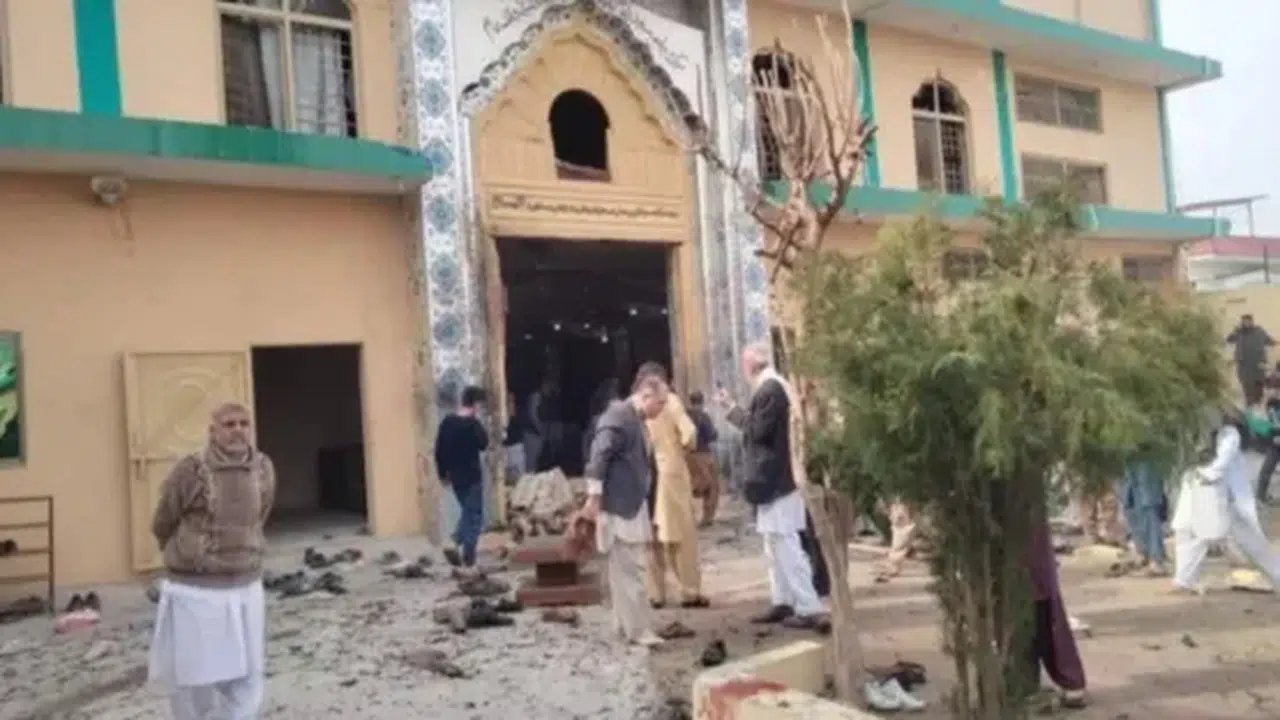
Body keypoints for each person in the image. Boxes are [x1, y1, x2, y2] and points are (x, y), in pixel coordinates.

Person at [148, 402, 276, 719]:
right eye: (229, 424)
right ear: (213, 431)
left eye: (243, 424)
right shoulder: (191, 470)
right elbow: (164, 520)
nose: (237, 430)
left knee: (248, 672)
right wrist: (189, 553)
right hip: (197, 591)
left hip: (246, 585)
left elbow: (260, 515)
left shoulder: (262, 468)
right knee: (198, 677)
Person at [718, 343, 826, 629]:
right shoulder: (775, 388)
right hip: (777, 479)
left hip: (777, 479)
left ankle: (809, 606)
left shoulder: (770, 390)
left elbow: (757, 432)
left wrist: (732, 411)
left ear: (749, 365)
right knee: (773, 543)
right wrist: (733, 409)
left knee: (786, 543)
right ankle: (783, 600)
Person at [578, 373, 670, 647]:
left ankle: (624, 625)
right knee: (632, 571)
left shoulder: (633, 419)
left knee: (622, 571)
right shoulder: (619, 416)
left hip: (630, 503)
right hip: (620, 506)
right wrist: (594, 495)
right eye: (660, 402)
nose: (662, 408)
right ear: (646, 395)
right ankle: (638, 630)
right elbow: (599, 455)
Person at [1173, 407, 1280, 593]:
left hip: (1227, 497)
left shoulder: (1229, 435)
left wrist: (1205, 475)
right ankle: (1185, 579)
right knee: (1189, 532)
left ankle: (1278, 575)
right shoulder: (1194, 435)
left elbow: (1219, 466)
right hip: (1202, 494)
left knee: (1251, 542)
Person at [635, 363, 707, 609]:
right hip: (670, 475)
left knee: (650, 538)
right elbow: (690, 434)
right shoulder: (671, 402)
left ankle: (656, 594)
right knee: (681, 537)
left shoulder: (634, 405)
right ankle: (689, 591)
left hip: (644, 474)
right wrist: (685, 451)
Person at [434, 386, 490, 567]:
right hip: (472, 476)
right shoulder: (472, 425)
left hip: (455, 476)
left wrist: (442, 473)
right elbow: (484, 443)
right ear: (476, 404)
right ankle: (467, 555)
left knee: (467, 512)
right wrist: (477, 421)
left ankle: (455, 542)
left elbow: (439, 450)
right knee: (474, 517)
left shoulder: (448, 422)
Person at [1117, 452, 1169, 576]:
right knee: (1129, 505)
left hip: (1147, 453)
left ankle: (1156, 560)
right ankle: (1143, 553)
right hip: (1125, 454)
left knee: (1148, 507)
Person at [686, 391, 721, 527]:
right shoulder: (703, 416)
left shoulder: (685, 415)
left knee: (690, 487)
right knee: (711, 488)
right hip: (703, 455)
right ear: (702, 401)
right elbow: (712, 435)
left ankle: (689, 517)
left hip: (687, 456)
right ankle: (707, 518)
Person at [1227, 314, 1274, 406]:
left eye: (1248, 321)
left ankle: (1257, 405)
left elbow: (1268, 340)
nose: (1246, 323)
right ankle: (1250, 407)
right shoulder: (1239, 332)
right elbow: (1229, 340)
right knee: (1247, 388)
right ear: (1242, 322)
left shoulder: (1259, 331)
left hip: (1258, 365)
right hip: (1244, 366)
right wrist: (1234, 331)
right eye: (1244, 321)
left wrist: (1275, 342)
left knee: (1259, 387)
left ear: (1252, 321)